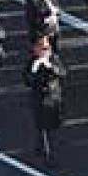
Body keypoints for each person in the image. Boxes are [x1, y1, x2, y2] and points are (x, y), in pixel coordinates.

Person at [23, 35, 65, 164]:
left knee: (54, 125)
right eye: (42, 48)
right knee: (45, 127)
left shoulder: (54, 59)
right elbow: (27, 81)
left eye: (47, 48)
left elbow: (63, 73)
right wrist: (35, 69)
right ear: (35, 49)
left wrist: (51, 67)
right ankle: (49, 154)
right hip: (40, 99)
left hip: (54, 98)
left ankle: (40, 144)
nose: (45, 51)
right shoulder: (32, 63)